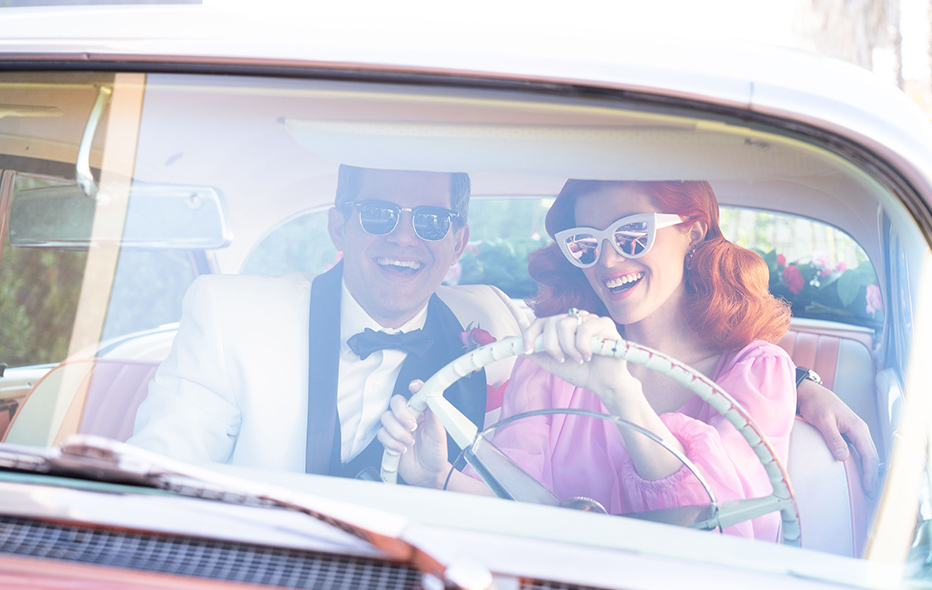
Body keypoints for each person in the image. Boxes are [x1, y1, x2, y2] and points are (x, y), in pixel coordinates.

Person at [380, 179, 825, 540]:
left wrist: (620, 392)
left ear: (693, 231)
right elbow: (515, 508)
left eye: (632, 234)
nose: (608, 260)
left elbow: (729, 532)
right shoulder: (549, 366)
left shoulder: (758, 373)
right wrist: (436, 480)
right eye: (585, 244)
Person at [128, 165, 527, 476]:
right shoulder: (228, 316)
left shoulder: (492, 334)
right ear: (338, 227)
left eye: (432, 220)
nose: (404, 237)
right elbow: (160, 474)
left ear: (457, 242)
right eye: (377, 214)